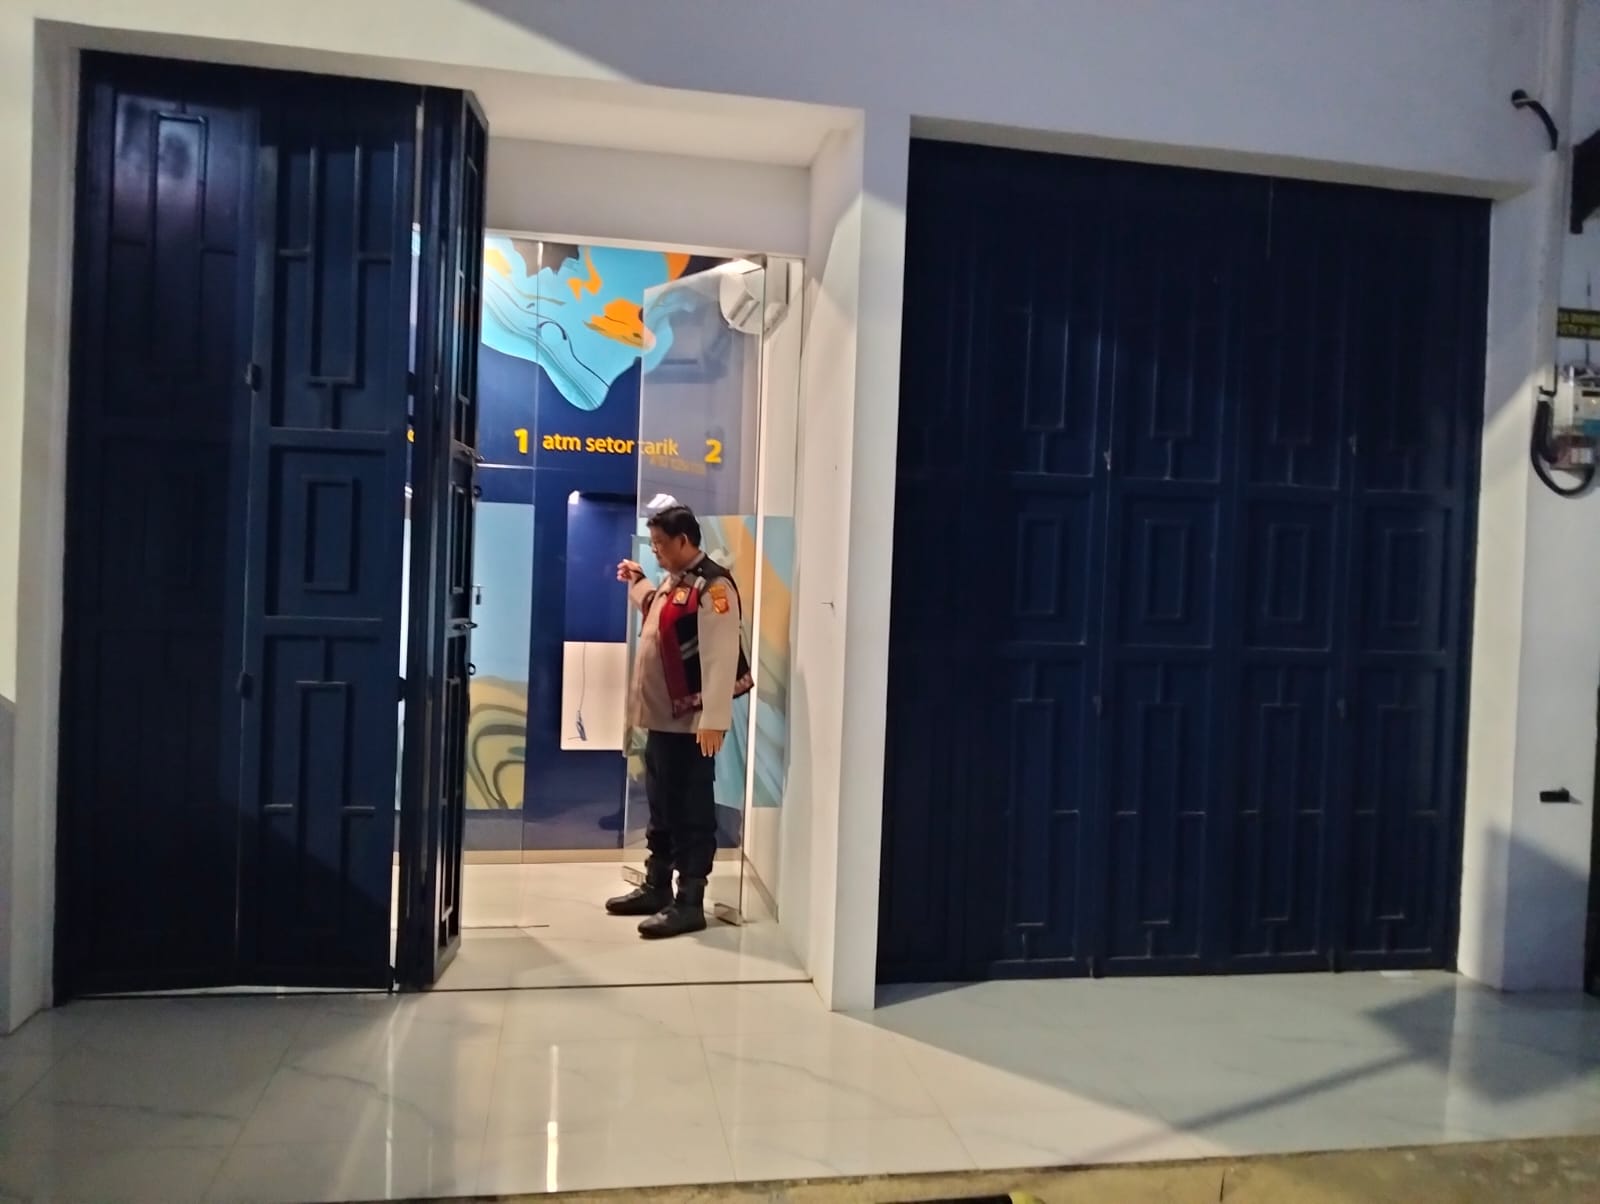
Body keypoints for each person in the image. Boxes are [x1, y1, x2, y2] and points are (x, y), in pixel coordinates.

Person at [606, 503, 752, 938]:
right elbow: (659, 611)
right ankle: (657, 886)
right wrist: (637, 581)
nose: (655, 551)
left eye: (660, 544)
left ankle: (690, 901)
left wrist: (714, 719)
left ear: (684, 540)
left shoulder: (714, 585)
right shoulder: (676, 582)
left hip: (690, 725)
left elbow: (721, 656)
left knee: (690, 810)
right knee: (662, 806)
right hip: (661, 721)